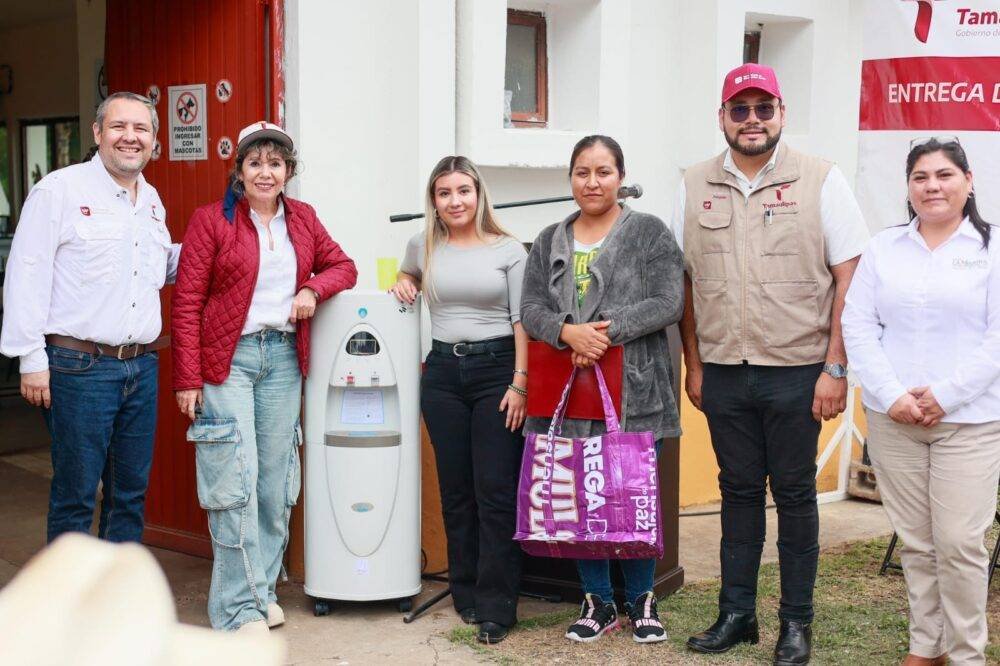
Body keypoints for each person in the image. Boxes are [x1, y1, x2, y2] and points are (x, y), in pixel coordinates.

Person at [672, 64, 870, 665]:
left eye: (764, 108)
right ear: (723, 117)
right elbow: (682, 282)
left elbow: (849, 278)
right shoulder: (691, 183)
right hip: (724, 371)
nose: (752, 119)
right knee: (736, 493)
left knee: (793, 495)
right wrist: (695, 364)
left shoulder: (821, 179)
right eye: (741, 108)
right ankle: (737, 615)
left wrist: (835, 369)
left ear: (781, 113)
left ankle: (795, 624)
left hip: (798, 372)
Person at [171, 121, 357, 633]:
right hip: (227, 363)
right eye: (255, 162)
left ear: (288, 172)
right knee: (235, 483)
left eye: (276, 163)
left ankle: (262, 590)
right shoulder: (211, 221)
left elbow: (344, 265)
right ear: (239, 171)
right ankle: (235, 610)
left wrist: (313, 289)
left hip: (282, 361)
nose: (265, 171)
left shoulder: (303, 220)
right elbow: (186, 303)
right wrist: (187, 378)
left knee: (275, 487)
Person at [520, 135, 683, 644]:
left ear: (620, 177)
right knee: (581, 496)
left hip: (634, 391)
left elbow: (668, 301)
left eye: (604, 171)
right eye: (583, 172)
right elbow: (529, 309)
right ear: (571, 179)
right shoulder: (550, 238)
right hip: (569, 393)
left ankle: (642, 600)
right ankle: (597, 602)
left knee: (632, 494)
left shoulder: (649, 233)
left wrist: (602, 333)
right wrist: (568, 333)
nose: (593, 182)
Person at [842, 138, 999, 666]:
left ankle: (967, 654)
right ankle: (925, 647)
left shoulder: (992, 248)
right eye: (920, 177)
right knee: (916, 542)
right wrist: (892, 395)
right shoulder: (885, 248)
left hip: (970, 421)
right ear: (908, 187)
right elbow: (859, 324)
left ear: (969, 181)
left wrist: (945, 395)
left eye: (945, 175)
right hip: (895, 420)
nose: (932, 186)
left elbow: (997, 339)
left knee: (959, 544)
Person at [1, 91, 178, 544]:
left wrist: (216, 250)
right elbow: (26, 272)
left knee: (130, 494)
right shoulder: (59, 190)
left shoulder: (151, 201)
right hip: (78, 368)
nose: (130, 137)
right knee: (76, 495)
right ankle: (67, 609)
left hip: (139, 366)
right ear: (98, 133)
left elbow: (154, 268)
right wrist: (29, 358)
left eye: (141, 129)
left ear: (154, 141)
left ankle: (114, 604)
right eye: (119, 126)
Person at [391, 155, 527, 645]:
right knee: (455, 491)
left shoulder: (509, 249)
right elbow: (407, 276)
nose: (455, 201)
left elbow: (522, 322)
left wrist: (520, 382)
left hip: (497, 372)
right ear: (434, 200)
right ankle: (464, 591)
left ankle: (497, 605)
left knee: (494, 490)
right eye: (444, 193)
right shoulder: (421, 244)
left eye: (463, 191)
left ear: (478, 193)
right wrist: (406, 280)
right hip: (443, 373)